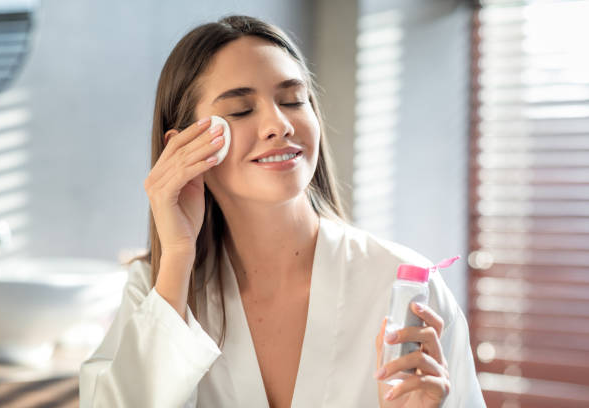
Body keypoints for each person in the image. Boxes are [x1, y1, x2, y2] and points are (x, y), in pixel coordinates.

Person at [79, 14, 485, 408]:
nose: (279, 124)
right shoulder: (155, 287)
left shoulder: (405, 289)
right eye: (240, 110)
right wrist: (178, 257)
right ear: (182, 147)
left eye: (293, 100)